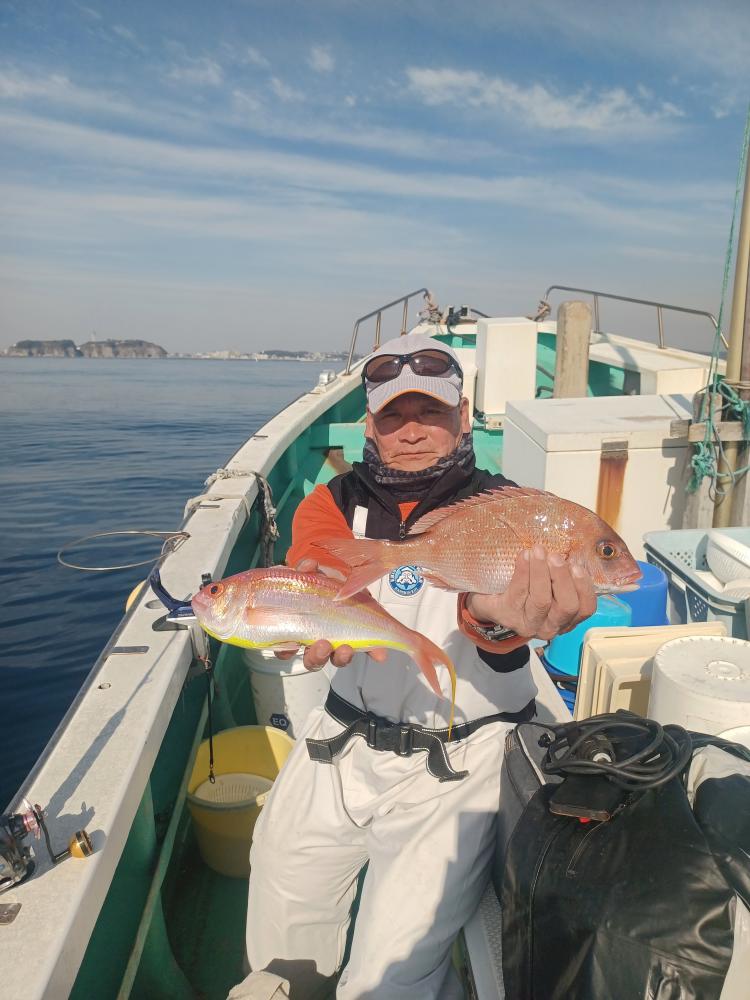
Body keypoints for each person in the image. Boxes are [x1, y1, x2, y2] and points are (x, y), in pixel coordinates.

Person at [243, 332, 596, 999]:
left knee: (392, 975)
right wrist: (303, 610)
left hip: (458, 761)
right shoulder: (329, 503)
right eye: (393, 416)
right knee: (278, 923)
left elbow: (490, 624)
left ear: (462, 417)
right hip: (339, 739)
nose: (411, 431)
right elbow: (317, 570)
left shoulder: (508, 511)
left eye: (430, 411)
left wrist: (501, 619)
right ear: (368, 427)